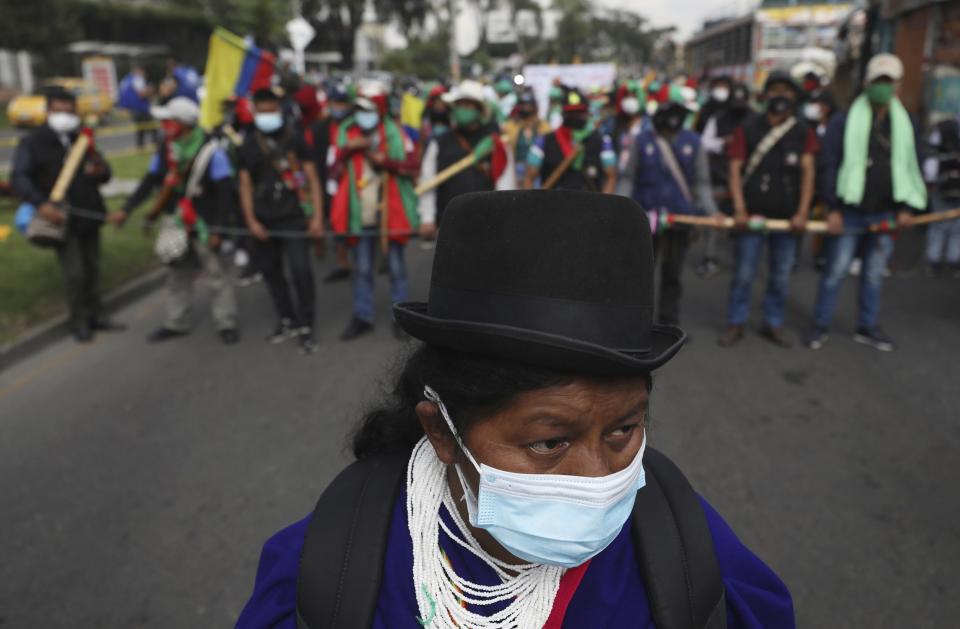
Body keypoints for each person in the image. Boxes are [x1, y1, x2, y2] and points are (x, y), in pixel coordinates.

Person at [235, 190, 795, 629]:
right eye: (549, 443)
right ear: (442, 432)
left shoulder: (689, 553)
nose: (599, 478)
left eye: (624, 430)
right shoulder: (332, 569)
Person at [805, 53, 926, 352]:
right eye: (878, 82)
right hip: (848, 212)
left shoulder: (906, 124)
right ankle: (820, 325)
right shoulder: (844, 121)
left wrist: (908, 208)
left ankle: (867, 327)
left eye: (889, 82)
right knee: (835, 271)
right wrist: (832, 207)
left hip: (886, 211)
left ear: (898, 86)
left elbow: (914, 166)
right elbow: (829, 164)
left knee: (873, 274)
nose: (883, 88)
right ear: (866, 83)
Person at [114, 97, 240, 345]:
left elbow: (226, 194)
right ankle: (176, 321)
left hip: (205, 222)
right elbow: (150, 180)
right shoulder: (167, 149)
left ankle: (226, 322)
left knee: (215, 274)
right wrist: (127, 209)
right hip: (176, 221)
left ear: (182, 123)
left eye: (168, 120)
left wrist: (218, 229)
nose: (164, 124)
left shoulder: (211, 152)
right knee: (176, 272)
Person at [11, 87, 120, 343]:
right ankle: (79, 320)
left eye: (69, 112)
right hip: (60, 217)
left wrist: (99, 171)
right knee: (75, 273)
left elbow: (105, 173)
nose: (64, 116)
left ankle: (97, 315)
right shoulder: (34, 142)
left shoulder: (82, 138)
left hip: (89, 213)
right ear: (48, 111)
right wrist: (42, 204)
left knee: (92, 268)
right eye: (58, 111)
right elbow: (20, 177)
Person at [718, 72, 818, 348]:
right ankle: (736, 322)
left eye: (786, 91)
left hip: (787, 220)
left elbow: (808, 173)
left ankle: (773, 323)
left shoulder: (803, 132)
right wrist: (739, 208)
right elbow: (735, 169)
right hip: (751, 216)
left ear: (794, 98)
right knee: (743, 274)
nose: (780, 97)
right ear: (765, 96)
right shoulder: (748, 128)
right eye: (775, 90)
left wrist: (802, 212)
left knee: (781, 275)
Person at [329, 83, 421, 341]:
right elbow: (332, 170)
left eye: (367, 109)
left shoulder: (396, 134)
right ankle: (363, 317)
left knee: (396, 268)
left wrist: (386, 162)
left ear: (379, 110)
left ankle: (400, 319)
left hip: (390, 214)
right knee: (362, 268)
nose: (362, 114)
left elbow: (412, 167)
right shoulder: (345, 134)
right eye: (358, 108)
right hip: (360, 215)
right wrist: (349, 149)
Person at [237, 88, 325, 354]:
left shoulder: (295, 139)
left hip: (295, 219)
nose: (266, 116)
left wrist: (318, 217)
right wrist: (251, 221)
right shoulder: (247, 145)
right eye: (261, 111)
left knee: (301, 271)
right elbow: (244, 185)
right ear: (254, 112)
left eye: (270, 110)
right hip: (263, 222)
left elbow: (312, 179)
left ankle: (307, 324)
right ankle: (287, 319)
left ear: (279, 109)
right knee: (272, 273)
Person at [624, 89, 719, 327]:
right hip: (645, 216)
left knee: (673, 274)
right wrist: (619, 208)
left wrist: (712, 211)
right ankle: (635, 323)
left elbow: (702, 183)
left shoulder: (693, 142)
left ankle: (668, 323)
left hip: (680, 218)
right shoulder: (643, 140)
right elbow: (628, 177)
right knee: (641, 274)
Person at [417, 80, 514, 233]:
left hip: (488, 223)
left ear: (480, 110)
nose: (463, 109)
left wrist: (505, 218)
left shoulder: (496, 143)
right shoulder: (439, 142)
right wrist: (427, 218)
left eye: (468, 105)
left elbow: (505, 183)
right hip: (448, 223)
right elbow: (428, 179)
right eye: (460, 105)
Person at [696, 80, 753, 277]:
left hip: (748, 180)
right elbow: (704, 143)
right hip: (720, 176)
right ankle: (709, 257)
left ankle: (742, 261)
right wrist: (724, 142)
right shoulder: (717, 118)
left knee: (743, 223)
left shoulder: (755, 120)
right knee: (715, 219)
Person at [522, 87, 617, 193]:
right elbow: (529, 177)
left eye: (579, 112)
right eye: (571, 113)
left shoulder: (603, 141)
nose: (575, 116)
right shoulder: (543, 141)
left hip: (590, 205)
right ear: (563, 114)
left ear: (587, 113)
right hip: (554, 205)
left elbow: (611, 176)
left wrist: (604, 206)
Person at [923, 113, 960, 277]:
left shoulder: (943, 128)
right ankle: (943, 259)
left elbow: (931, 157)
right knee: (948, 224)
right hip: (948, 185)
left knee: (948, 225)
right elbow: (932, 155)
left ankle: (944, 259)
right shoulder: (948, 127)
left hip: (946, 185)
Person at [501, 90, 550, 183]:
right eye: (523, 104)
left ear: (535, 106)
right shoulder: (510, 126)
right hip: (515, 170)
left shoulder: (544, 126)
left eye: (529, 104)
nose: (526, 107)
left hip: (537, 172)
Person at [118, 65, 157, 148]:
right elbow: (142, 94)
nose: (143, 74)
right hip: (139, 107)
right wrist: (151, 90)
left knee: (141, 127)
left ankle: (140, 146)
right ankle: (155, 143)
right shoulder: (137, 79)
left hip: (130, 107)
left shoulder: (126, 79)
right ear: (139, 70)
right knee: (152, 125)